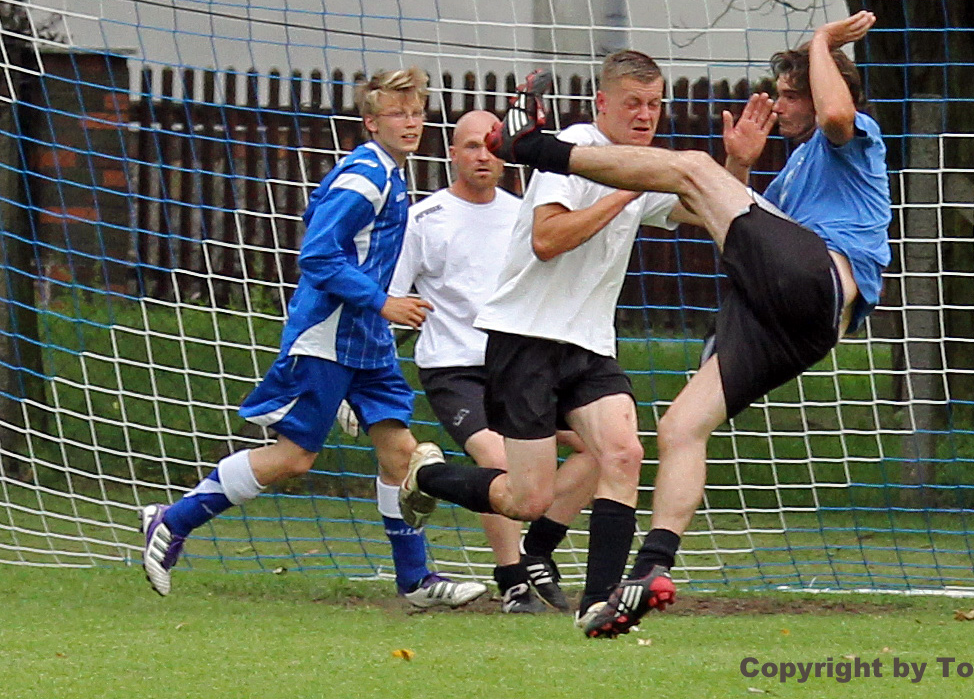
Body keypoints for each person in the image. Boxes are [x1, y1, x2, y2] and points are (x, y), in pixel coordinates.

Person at [483, 10, 891, 637]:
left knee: (692, 166)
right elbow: (736, 224)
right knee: (679, 427)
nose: (777, 105)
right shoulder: (794, 173)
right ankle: (650, 569)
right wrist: (741, 166)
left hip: (821, 284)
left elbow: (833, 116)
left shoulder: (853, 133)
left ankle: (532, 147)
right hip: (799, 323)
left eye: (791, 94)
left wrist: (821, 42)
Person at [398, 51, 779, 627]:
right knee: (526, 498)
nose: (646, 115)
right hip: (525, 337)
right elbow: (547, 240)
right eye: (633, 104)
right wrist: (625, 188)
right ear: (603, 103)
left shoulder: (639, 160)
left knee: (624, 452)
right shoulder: (573, 150)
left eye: (654, 105)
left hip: (589, 342)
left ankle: (599, 604)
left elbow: (707, 212)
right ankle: (426, 476)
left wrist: (736, 163)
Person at [141, 68, 486, 609]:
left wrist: (378, 311)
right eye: (398, 112)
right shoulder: (366, 176)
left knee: (399, 454)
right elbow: (317, 254)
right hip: (328, 335)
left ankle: (415, 581)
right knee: (295, 457)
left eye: (417, 111)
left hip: (364, 340)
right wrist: (382, 301)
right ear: (371, 122)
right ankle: (172, 518)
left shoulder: (391, 174)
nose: (411, 121)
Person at [385, 109, 598, 613]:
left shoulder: (524, 214)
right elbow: (391, 300)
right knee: (500, 461)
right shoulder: (423, 219)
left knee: (604, 448)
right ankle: (512, 578)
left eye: (490, 146)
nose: (482, 155)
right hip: (453, 369)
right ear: (452, 154)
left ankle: (535, 547)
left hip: (520, 364)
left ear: (505, 155)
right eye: (470, 147)